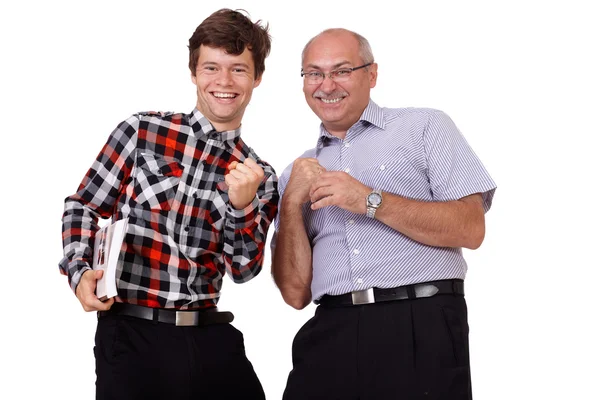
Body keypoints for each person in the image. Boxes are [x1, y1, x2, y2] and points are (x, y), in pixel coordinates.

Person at [59, 9, 278, 400]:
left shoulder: (259, 174)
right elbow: (84, 206)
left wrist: (241, 206)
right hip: (132, 336)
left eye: (238, 69)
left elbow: (243, 272)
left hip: (210, 336)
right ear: (193, 72)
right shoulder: (142, 132)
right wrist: (79, 271)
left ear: (257, 77)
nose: (224, 82)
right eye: (211, 67)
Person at [271, 28, 496, 400]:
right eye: (314, 73)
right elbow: (295, 295)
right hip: (331, 328)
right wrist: (290, 205)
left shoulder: (424, 126)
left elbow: (471, 228)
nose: (326, 85)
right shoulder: (297, 172)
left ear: (371, 74)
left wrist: (368, 200)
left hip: (419, 322)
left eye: (341, 70)